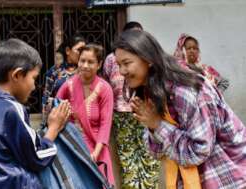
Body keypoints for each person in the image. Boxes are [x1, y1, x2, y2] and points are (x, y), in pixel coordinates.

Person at [114, 30, 246, 189]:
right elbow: (156, 151)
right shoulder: (153, 91)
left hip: (228, 178)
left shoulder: (184, 90)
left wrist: (157, 124)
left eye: (127, 63)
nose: (121, 71)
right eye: (119, 65)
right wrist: (151, 124)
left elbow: (198, 152)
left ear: (148, 59)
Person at [0, 38, 71, 189]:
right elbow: (36, 158)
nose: (34, 86)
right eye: (33, 78)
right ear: (17, 75)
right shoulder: (13, 109)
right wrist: (53, 128)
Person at [102, 21, 160, 189]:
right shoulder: (112, 59)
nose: (122, 70)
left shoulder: (148, 61)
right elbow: (106, 82)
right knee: (128, 157)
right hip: (122, 114)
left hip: (145, 110)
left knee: (149, 155)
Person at [56, 44, 115, 186]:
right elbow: (56, 111)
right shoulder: (68, 86)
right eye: (82, 61)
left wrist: (96, 153)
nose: (85, 65)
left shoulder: (105, 89)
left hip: (97, 148)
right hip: (74, 146)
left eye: (91, 62)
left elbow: (105, 124)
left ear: (99, 64)